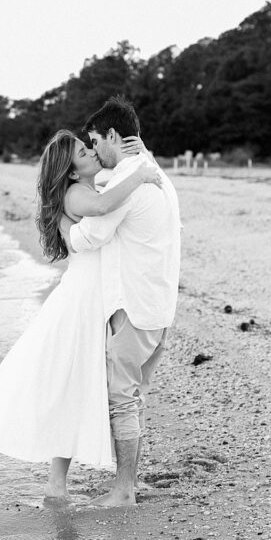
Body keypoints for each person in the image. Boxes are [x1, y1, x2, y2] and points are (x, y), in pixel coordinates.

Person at [0, 128, 161, 499]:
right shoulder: (79, 194)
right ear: (72, 170)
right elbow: (103, 207)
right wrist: (141, 175)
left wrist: (141, 156)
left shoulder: (90, 186)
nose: (92, 152)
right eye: (83, 151)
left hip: (92, 299)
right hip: (80, 302)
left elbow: (113, 188)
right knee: (55, 382)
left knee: (69, 388)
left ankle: (56, 485)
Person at [69, 96, 181, 507]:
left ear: (114, 135)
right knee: (133, 397)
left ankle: (124, 490)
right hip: (159, 306)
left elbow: (90, 236)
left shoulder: (128, 181)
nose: (94, 150)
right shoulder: (154, 173)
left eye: (96, 140)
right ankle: (129, 481)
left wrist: (63, 225)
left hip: (134, 307)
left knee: (122, 400)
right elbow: (110, 187)